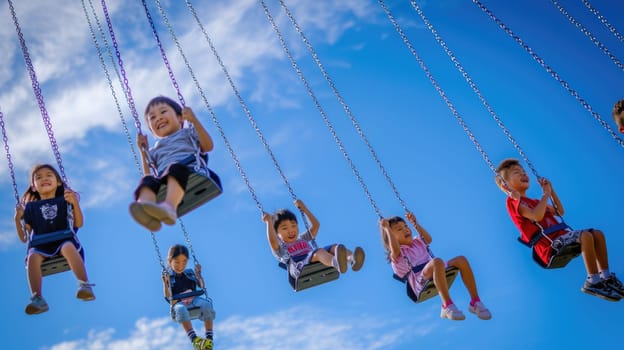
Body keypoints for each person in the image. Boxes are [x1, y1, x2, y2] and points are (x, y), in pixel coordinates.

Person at [495, 158, 624, 301]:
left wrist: (551, 191)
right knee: (586, 236)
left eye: (524, 171)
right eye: (517, 173)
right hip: (549, 247)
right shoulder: (512, 202)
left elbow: (560, 211)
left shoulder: (536, 202)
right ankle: (592, 281)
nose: (523, 174)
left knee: (597, 234)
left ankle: (606, 277)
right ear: (505, 184)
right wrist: (545, 195)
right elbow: (536, 216)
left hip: (561, 238)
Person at [14, 164, 95, 315]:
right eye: (38, 177)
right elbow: (24, 238)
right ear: (33, 186)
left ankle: (84, 285)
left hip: (64, 238)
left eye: (49, 175)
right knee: (32, 257)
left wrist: (74, 203)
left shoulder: (65, 200)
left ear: (58, 182)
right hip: (40, 244)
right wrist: (17, 220)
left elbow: (79, 223)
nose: (44, 178)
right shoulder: (30, 208)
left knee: (67, 247)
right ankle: (37, 299)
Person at [380, 212, 491, 321]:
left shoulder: (417, 242)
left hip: (435, 268)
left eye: (406, 226)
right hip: (420, 280)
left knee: (461, 260)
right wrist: (387, 229)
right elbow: (394, 247)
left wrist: (415, 223)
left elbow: (428, 239)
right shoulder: (397, 254)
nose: (405, 229)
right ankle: (447, 305)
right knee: (437, 261)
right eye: (399, 229)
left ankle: (475, 302)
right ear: (391, 238)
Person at [129, 96, 214, 231]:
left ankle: (169, 207)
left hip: (189, 168)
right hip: (164, 179)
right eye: (152, 117)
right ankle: (146, 208)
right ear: (152, 130)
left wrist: (194, 120)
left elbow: (208, 146)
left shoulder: (187, 133)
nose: (158, 118)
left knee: (174, 167)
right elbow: (148, 173)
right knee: (147, 180)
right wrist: (143, 150)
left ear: (180, 118)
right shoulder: (155, 149)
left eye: (163, 112)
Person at [262, 199, 365, 281]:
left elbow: (316, 226)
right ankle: (336, 262)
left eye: (294, 225)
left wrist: (304, 208)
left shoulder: (302, 239)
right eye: (284, 228)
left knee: (335, 247)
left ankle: (352, 259)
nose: (291, 231)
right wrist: (269, 223)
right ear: (276, 233)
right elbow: (273, 241)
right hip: (299, 267)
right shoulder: (281, 248)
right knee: (319, 252)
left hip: (313, 258)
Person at [163, 244, 215, 350]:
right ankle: (194, 340)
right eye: (177, 262)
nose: (181, 265)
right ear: (169, 261)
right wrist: (165, 283)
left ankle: (209, 339)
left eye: (184, 262)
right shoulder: (169, 276)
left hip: (194, 300)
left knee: (206, 304)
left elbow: (202, 286)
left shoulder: (189, 273)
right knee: (181, 309)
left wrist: (199, 275)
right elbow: (168, 297)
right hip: (179, 302)